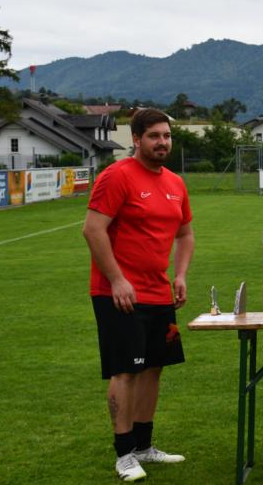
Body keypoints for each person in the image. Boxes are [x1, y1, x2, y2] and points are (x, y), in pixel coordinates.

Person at [83, 108, 195, 482]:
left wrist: (180, 275)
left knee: (152, 369)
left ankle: (145, 446)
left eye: (167, 135)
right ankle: (124, 454)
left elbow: (185, 234)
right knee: (126, 371)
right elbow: (93, 230)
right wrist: (117, 280)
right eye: (154, 136)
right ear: (136, 139)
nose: (162, 142)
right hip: (119, 294)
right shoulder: (117, 176)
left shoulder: (175, 183)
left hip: (159, 292)